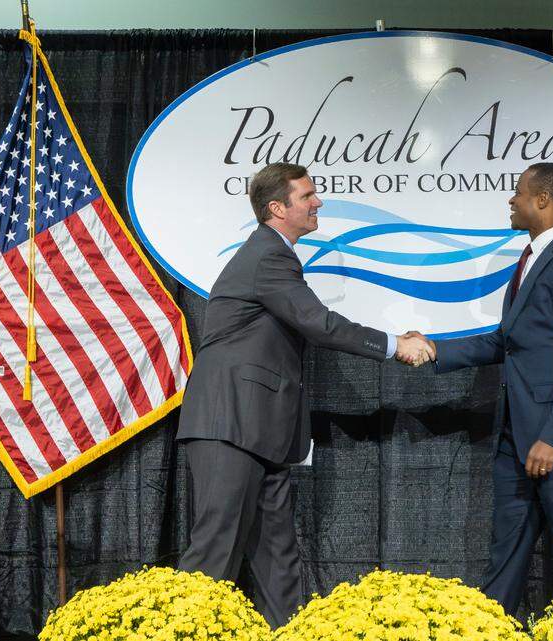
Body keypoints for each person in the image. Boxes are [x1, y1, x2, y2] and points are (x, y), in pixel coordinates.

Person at [176, 162, 432, 627]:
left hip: (262, 430)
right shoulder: (267, 256)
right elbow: (320, 323)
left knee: (279, 559)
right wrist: (397, 346)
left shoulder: (274, 255)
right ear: (278, 208)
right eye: (308, 195)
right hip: (230, 424)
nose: (318, 202)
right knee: (214, 554)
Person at [409, 162, 553, 614]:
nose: (511, 200)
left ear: (542, 200)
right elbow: (507, 341)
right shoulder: (530, 261)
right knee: (505, 559)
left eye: (518, 193)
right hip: (516, 439)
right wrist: (434, 350)